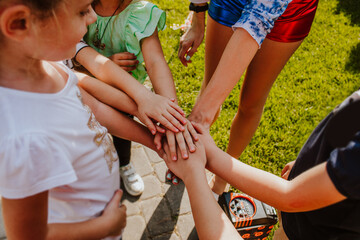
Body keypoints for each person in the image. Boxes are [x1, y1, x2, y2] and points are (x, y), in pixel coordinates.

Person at [0, 0, 161, 238]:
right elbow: (29, 236)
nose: (93, 17)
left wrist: (153, 139)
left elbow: (92, 107)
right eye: (82, 11)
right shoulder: (24, 140)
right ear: (20, 23)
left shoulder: (46, 63)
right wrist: (104, 227)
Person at [163, 88, 360, 240]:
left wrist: (203, 164)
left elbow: (291, 197)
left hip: (318, 231)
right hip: (302, 219)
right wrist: (310, 162)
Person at [178, 0, 319, 195]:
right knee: (210, 88)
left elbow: (258, 17)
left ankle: (222, 178)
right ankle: (188, 156)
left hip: (290, 11)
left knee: (251, 103)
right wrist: (198, 15)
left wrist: (200, 116)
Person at [72, 0, 194, 193]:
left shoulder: (140, 12)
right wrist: (104, 62)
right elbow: (72, 54)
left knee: (122, 133)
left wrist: (171, 116)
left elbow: (155, 62)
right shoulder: (78, 5)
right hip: (83, 90)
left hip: (126, 96)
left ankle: (124, 164)